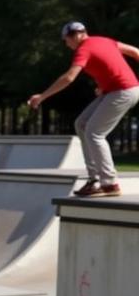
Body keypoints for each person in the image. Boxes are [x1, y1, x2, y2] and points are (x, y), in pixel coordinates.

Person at [28, 21, 139, 197]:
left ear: (75, 36)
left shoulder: (83, 49)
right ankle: (94, 179)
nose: (67, 45)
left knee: (94, 133)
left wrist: (42, 96)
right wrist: (106, 85)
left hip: (123, 92)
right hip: (117, 90)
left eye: (66, 41)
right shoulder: (105, 40)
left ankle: (109, 184)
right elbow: (134, 52)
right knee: (81, 123)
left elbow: (69, 78)